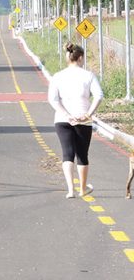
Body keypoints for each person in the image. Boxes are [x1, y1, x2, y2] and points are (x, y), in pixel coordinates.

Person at [47, 42, 103, 199]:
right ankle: (83, 189)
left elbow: (53, 99)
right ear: (80, 58)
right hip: (83, 119)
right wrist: (88, 114)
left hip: (62, 120)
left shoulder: (58, 76)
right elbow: (98, 95)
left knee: (67, 154)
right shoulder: (88, 75)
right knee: (82, 155)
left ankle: (71, 190)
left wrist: (66, 114)